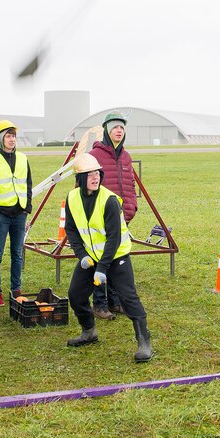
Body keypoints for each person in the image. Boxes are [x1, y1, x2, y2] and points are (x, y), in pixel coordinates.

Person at [63, 152, 151, 362]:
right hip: (91, 257)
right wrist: (81, 255)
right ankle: (89, 332)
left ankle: (144, 341)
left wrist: (103, 268)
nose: (95, 177)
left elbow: (114, 237)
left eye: (97, 173)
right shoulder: (72, 198)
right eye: (89, 174)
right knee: (75, 295)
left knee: (128, 298)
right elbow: (71, 229)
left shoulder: (110, 200)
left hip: (116, 257)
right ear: (80, 179)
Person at [89, 111, 137, 318]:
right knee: (101, 259)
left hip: (121, 218)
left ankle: (115, 302)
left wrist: (131, 207)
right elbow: (85, 187)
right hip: (100, 217)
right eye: (115, 127)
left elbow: (130, 184)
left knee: (118, 259)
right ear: (107, 130)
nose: (119, 130)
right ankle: (99, 304)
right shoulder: (94, 156)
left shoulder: (126, 156)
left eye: (122, 128)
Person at [0, 119, 33, 307]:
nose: (12, 140)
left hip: (19, 213)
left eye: (13, 136)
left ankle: (16, 288)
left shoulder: (22, 158)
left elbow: (27, 183)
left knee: (17, 253)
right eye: (8, 136)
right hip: (1, 215)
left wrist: (27, 206)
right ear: (1, 139)